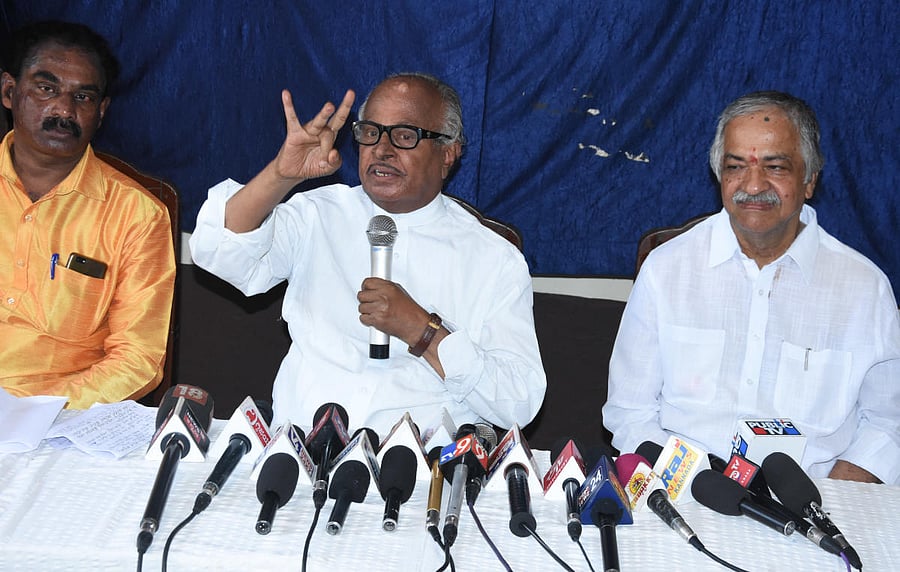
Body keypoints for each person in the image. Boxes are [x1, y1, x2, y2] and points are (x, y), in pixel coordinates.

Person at [190, 73, 546, 436]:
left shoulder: (493, 259)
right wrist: (281, 175)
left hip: (416, 473)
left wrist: (423, 332)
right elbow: (216, 250)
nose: (382, 150)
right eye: (371, 132)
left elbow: (519, 402)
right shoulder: (319, 214)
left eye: (405, 136)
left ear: (447, 154)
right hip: (300, 456)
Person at [603, 91, 900, 484]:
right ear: (719, 176)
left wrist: (835, 498)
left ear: (809, 179)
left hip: (814, 507)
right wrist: (684, 485)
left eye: (775, 166)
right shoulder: (667, 270)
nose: (753, 185)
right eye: (736, 166)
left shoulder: (865, 289)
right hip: (685, 496)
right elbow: (630, 412)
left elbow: (888, 422)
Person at [0, 21, 175, 407]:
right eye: (47, 89)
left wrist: (35, 410)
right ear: (10, 92)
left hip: (59, 423)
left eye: (83, 97)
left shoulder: (137, 214)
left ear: (101, 111)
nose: (64, 109)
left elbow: (138, 359)